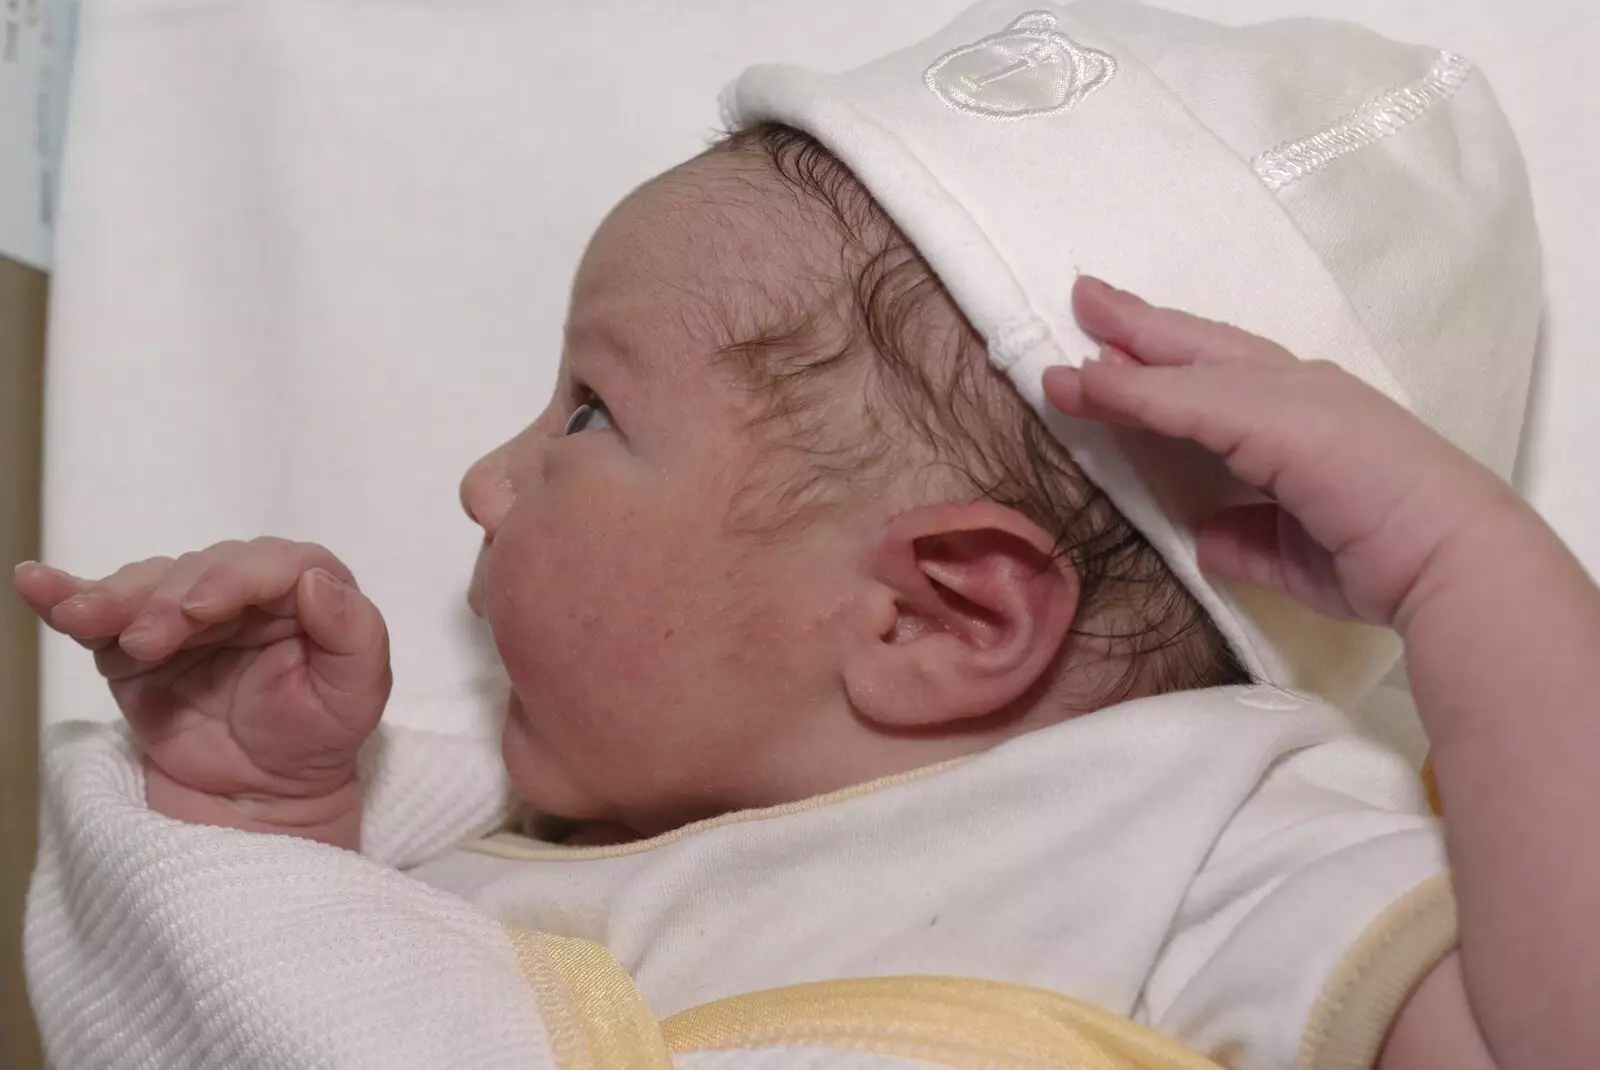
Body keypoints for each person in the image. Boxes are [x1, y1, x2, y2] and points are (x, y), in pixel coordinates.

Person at [16, 3, 1595, 1068]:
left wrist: (1476, 574)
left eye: (585, 416)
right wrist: (259, 823)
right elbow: (239, 1012)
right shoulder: (496, 836)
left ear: (939, 613)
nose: (483, 483)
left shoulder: (1208, 840)